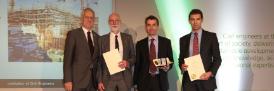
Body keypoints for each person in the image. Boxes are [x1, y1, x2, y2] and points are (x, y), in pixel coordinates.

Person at [178, 9, 222, 91]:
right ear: (189, 21)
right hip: (188, 82)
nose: (195, 22)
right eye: (192, 19)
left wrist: (210, 73)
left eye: (198, 19)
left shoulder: (211, 37)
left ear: (202, 20)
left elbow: (217, 59)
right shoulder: (183, 39)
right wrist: (182, 66)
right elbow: (181, 59)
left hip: (206, 80)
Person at [63, 8, 100, 91]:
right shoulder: (73, 34)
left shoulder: (97, 37)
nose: (89, 20)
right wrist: (67, 80)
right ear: (82, 18)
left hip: (93, 82)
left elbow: (98, 60)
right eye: (87, 17)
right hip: (77, 82)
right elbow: (67, 60)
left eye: (91, 18)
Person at [133, 15, 173, 91]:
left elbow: (170, 59)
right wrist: (135, 83)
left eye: (154, 25)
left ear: (157, 26)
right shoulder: (140, 44)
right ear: (146, 27)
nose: (151, 28)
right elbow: (137, 65)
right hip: (143, 82)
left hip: (160, 81)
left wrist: (167, 67)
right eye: (149, 25)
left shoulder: (166, 42)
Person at [97, 13, 135, 91]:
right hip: (108, 78)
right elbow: (99, 62)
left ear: (120, 22)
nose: (114, 23)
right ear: (108, 23)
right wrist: (99, 80)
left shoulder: (128, 38)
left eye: (116, 20)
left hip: (124, 78)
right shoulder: (102, 39)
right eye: (112, 21)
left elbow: (134, 57)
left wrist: (127, 63)